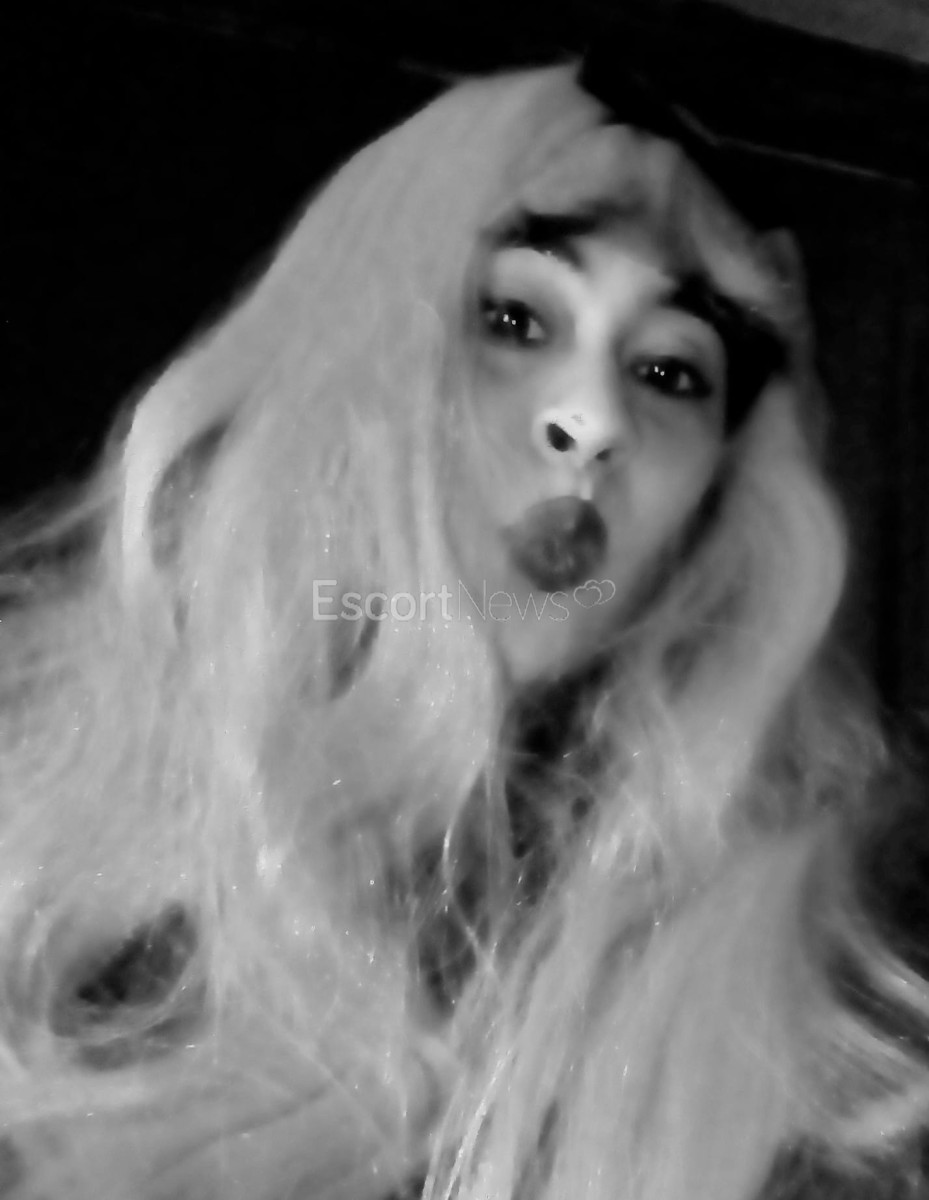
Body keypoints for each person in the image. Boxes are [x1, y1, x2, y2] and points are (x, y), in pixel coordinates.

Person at [0, 62, 926, 1200]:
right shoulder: (51, 836)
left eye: (669, 370)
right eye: (515, 319)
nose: (589, 418)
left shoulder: (780, 995)